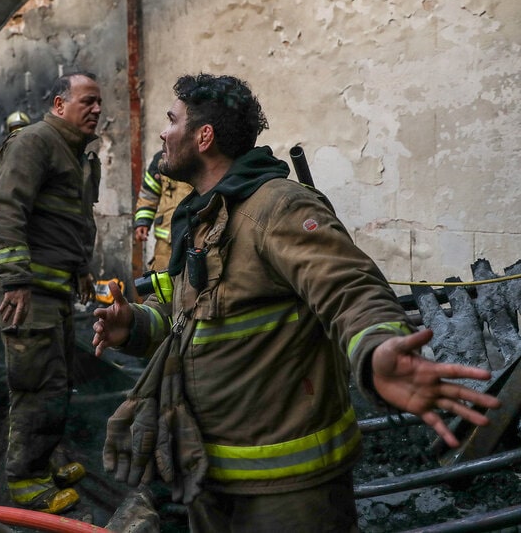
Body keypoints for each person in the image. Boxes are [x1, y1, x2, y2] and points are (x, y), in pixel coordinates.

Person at [92, 73, 500, 531]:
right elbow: (194, 322)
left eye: (172, 120)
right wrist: (136, 327)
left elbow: (350, 288)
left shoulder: (278, 208)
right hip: (210, 478)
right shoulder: (206, 216)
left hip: (289, 496)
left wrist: (376, 348)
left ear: (203, 136)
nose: (164, 133)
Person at [0, 72, 102, 514]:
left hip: (53, 290)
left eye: (98, 104)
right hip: (26, 291)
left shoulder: (77, 157)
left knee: (57, 381)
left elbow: (73, 224)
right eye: (86, 101)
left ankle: (45, 459)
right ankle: (25, 483)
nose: (95, 110)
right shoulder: (33, 143)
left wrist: (82, 271)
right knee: (36, 385)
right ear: (59, 105)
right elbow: (4, 209)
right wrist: (16, 280)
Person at [133, 149, 193, 272]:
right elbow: (149, 194)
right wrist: (142, 221)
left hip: (195, 239)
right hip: (165, 243)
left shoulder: (204, 158)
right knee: (162, 282)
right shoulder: (160, 160)